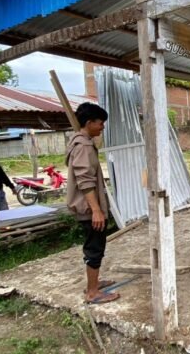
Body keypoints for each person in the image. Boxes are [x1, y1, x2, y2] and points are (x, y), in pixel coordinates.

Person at [66, 102, 119, 304]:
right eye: (100, 123)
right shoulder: (83, 146)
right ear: (89, 123)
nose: (102, 127)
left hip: (89, 206)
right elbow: (85, 181)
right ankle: (92, 292)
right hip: (88, 208)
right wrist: (96, 210)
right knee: (95, 247)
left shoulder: (81, 142)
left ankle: (94, 283)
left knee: (95, 245)